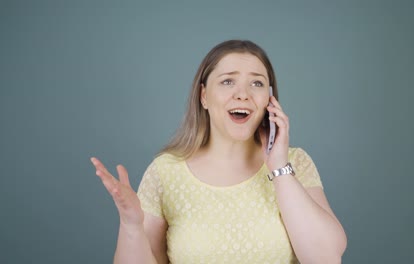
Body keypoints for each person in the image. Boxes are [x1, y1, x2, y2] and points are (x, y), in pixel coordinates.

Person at [91, 39, 347, 264]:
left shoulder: (295, 163)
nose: (243, 95)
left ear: (269, 100)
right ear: (204, 96)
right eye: (227, 81)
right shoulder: (164, 172)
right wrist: (131, 226)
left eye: (257, 83)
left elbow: (326, 258)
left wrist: (280, 168)